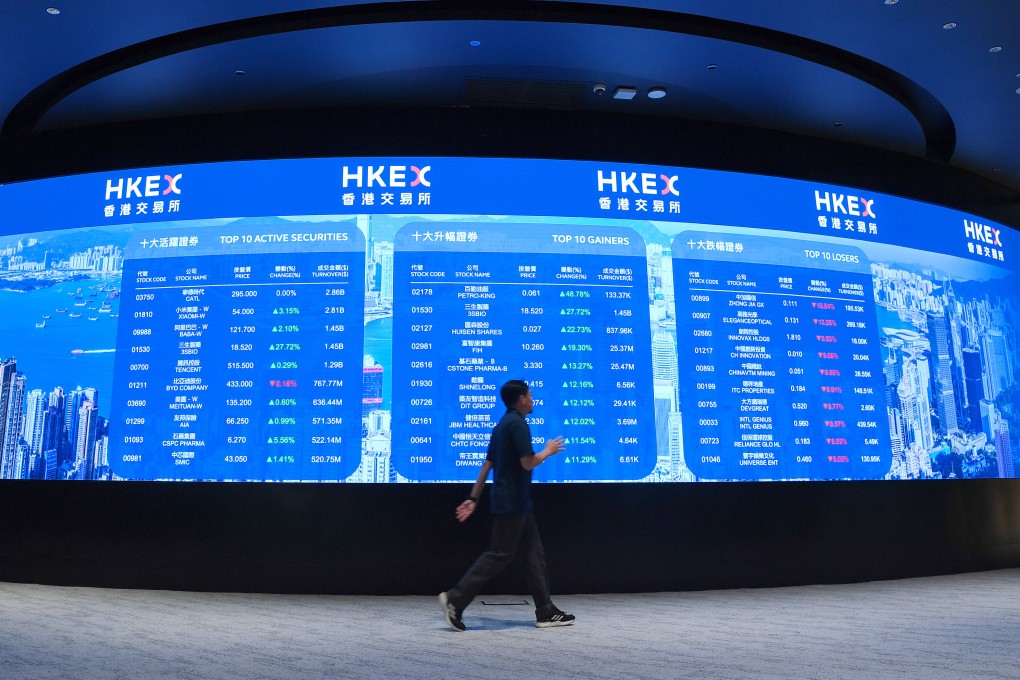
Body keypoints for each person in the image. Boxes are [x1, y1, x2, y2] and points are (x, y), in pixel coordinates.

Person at [439, 379, 575, 631]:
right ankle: (455, 599)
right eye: (530, 395)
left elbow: (487, 465)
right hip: (512, 502)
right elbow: (527, 462)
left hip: (516, 502)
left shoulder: (501, 425)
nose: (533, 399)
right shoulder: (517, 424)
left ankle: (545, 611)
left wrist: (473, 498)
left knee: (535, 556)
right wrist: (548, 450)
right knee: (499, 554)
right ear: (521, 398)